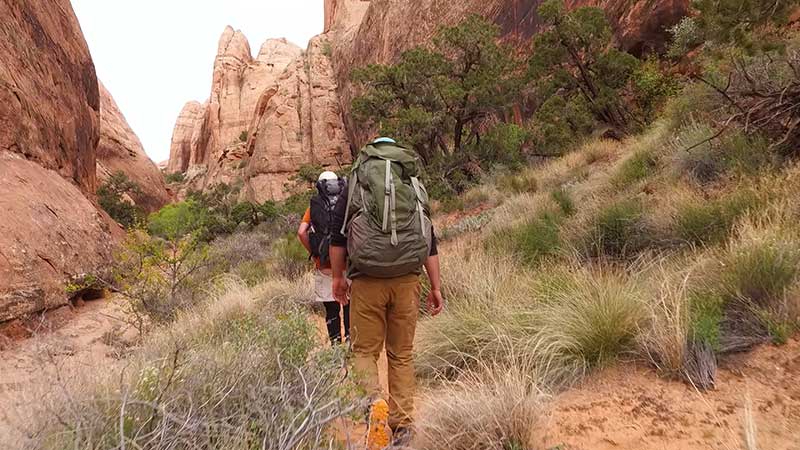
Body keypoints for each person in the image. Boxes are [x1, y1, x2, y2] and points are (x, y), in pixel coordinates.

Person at [329, 137, 444, 448]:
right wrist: (435, 286)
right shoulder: (412, 178)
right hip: (407, 278)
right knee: (402, 353)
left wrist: (338, 278)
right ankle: (403, 425)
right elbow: (429, 238)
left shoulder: (357, 178)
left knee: (365, 351)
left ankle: (373, 414)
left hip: (367, 278)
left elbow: (338, 236)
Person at [297, 170, 350, 346]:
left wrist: (315, 254)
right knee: (349, 305)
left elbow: (301, 232)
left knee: (331, 309)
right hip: (347, 264)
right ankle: (351, 341)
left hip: (325, 265)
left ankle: (336, 346)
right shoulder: (347, 204)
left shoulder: (314, 206)